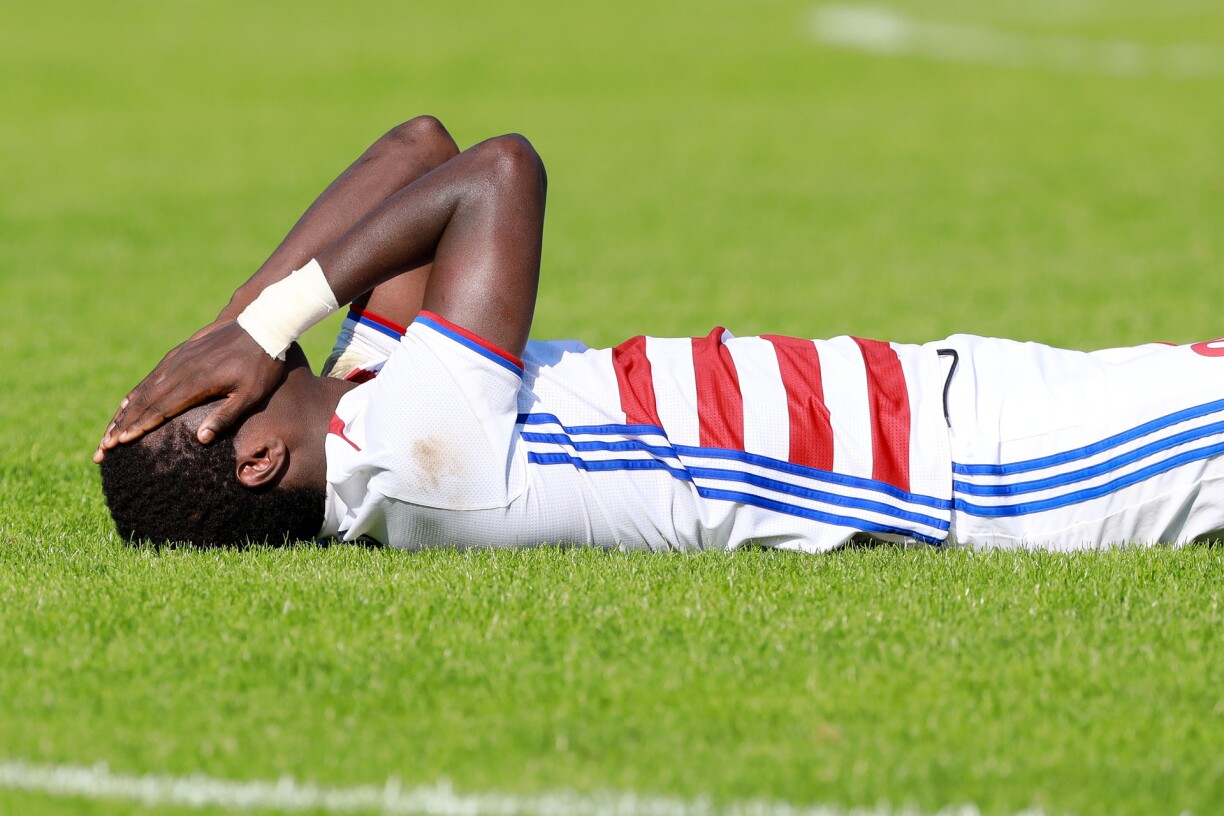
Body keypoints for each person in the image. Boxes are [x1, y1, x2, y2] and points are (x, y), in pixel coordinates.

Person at [95, 117, 1224, 552]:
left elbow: (416, 146)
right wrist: (269, 318)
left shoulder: (368, 393)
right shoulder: (414, 464)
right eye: (213, 390)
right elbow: (496, 174)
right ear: (256, 457)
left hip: (945, 401)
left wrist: (238, 329)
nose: (228, 366)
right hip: (978, 467)